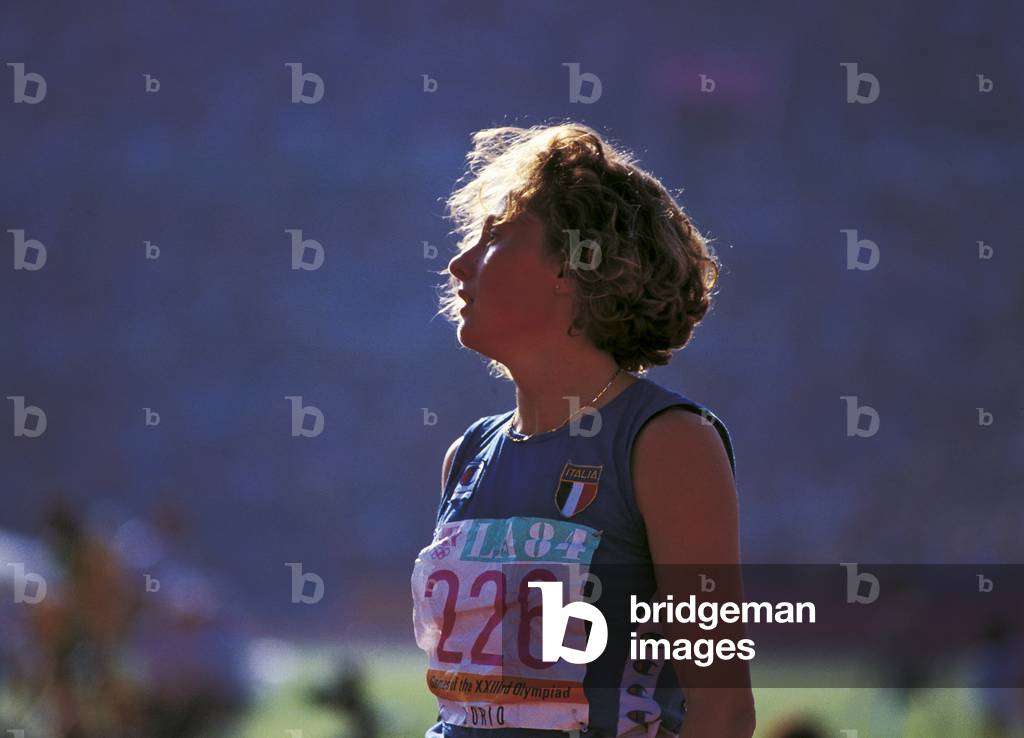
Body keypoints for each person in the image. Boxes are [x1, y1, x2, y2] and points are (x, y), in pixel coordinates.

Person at [411, 122, 754, 738]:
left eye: (499, 238)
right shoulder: (466, 455)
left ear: (574, 266)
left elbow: (723, 710)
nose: (460, 263)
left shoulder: (667, 442)